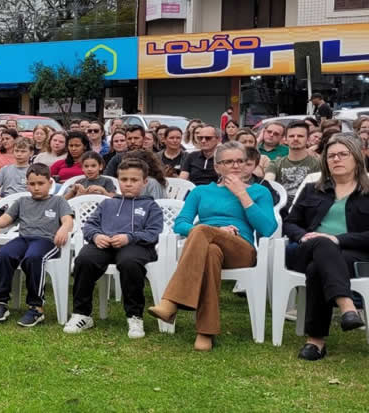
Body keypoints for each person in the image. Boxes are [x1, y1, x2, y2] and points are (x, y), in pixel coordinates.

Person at [148, 142, 277, 351]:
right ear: (217, 167)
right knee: (210, 251)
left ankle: (171, 302)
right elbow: (181, 223)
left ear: (247, 165)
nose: (235, 166)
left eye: (240, 161)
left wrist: (242, 194)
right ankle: (205, 332)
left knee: (201, 230)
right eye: (228, 162)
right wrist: (216, 231)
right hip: (206, 246)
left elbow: (268, 228)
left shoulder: (259, 192)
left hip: (241, 249)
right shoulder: (201, 192)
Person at [282, 134, 369, 360]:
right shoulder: (313, 189)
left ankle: (316, 341)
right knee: (320, 242)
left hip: (353, 256)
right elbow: (290, 223)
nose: (336, 159)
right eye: (331, 156)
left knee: (316, 268)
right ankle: (347, 306)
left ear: (357, 159)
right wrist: (303, 237)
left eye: (342, 154)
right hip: (305, 249)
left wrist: (339, 239)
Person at [63, 159, 165, 339]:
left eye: (134, 180)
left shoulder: (151, 206)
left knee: (129, 263)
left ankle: (134, 316)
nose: (128, 184)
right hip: (105, 244)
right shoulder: (107, 203)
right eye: (124, 179)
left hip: (137, 246)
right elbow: (89, 225)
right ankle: (82, 314)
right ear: (118, 181)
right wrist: (96, 236)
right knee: (84, 260)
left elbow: (153, 233)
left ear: (144, 182)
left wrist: (129, 237)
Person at [0, 165, 75, 327]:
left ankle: (36, 307)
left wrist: (63, 229)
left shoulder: (58, 201)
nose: (36, 188)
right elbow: (7, 218)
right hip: (24, 239)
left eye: (40, 183)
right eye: (32, 184)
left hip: (47, 241)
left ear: (50, 183)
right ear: (27, 184)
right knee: (4, 254)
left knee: (33, 258)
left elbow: (68, 220)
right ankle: (1, 303)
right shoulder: (22, 201)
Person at [265, 122, 322, 207]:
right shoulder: (275, 163)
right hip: (282, 207)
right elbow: (268, 183)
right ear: (285, 139)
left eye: (300, 136)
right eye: (291, 136)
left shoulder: (318, 163)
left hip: (308, 207)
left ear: (307, 139)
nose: (295, 139)